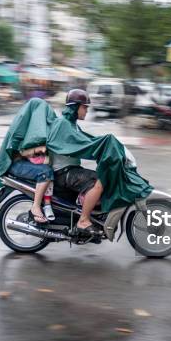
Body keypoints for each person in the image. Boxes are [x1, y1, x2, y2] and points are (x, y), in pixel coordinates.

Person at [50, 89, 104, 236]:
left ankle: (90, 213)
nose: (86, 110)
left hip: (71, 170)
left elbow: (86, 141)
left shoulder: (72, 125)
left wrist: (105, 147)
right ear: (75, 106)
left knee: (103, 177)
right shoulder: (63, 124)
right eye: (84, 107)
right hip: (64, 173)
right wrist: (100, 147)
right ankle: (83, 220)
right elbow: (82, 145)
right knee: (99, 182)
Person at [9, 145, 55, 224]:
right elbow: (22, 152)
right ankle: (36, 207)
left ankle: (47, 204)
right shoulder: (28, 134)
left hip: (30, 160)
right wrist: (38, 149)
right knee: (46, 172)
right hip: (18, 163)